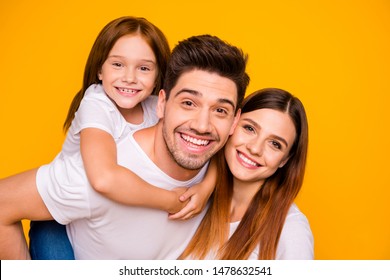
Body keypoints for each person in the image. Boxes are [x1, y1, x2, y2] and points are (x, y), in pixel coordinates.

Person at [0, 33, 249, 259]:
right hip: (59, 230)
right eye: (188, 103)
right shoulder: (94, 172)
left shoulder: (236, 161)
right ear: (162, 103)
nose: (202, 125)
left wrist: (208, 184)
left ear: (235, 121)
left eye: (220, 110)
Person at [180, 88, 314, 260]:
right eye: (249, 128)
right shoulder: (197, 191)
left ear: (284, 160)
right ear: (232, 123)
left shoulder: (291, 229)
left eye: (275, 144)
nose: (255, 148)